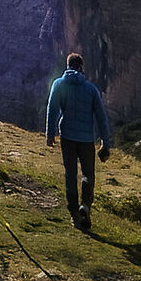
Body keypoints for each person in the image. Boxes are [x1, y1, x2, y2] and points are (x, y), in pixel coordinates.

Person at [45, 51, 111, 231]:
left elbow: (52, 109)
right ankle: (85, 206)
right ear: (81, 67)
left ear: (67, 66)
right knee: (88, 174)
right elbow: (101, 118)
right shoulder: (91, 89)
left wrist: (50, 133)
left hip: (67, 137)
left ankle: (74, 212)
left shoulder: (59, 84)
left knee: (70, 174)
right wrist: (105, 142)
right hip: (87, 139)